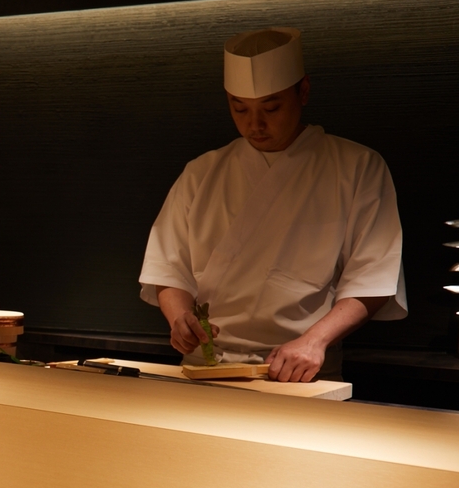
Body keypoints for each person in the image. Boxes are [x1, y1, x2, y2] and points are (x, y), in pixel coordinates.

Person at [138, 27, 406, 382]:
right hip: (204, 367)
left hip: (300, 369)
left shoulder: (358, 167)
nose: (255, 124)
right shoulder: (201, 172)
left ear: (303, 92)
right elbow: (168, 269)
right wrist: (179, 319)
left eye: (271, 107)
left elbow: (373, 278)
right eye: (239, 108)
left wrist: (314, 341)